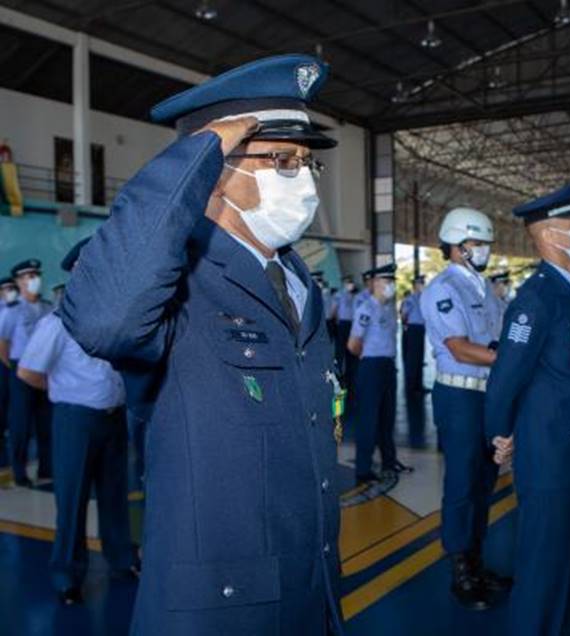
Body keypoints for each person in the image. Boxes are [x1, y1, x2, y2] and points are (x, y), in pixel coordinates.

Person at [61, 54, 345, 635]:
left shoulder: (297, 282)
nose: (304, 178)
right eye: (281, 159)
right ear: (214, 167)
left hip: (307, 592)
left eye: (307, 162)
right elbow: (104, 320)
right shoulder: (179, 282)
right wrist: (198, 151)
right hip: (220, 609)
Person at [485, 177, 570, 635]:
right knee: (541, 573)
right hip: (550, 456)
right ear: (550, 234)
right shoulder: (536, 298)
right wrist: (498, 435)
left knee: (565, 570)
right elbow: (505, 378)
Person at [16, 238, 138, 605]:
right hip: (76, 420)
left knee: (115, 498)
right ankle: (67, 576)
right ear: (78, 271)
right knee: (72, 501)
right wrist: (67, 390)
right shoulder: (57, 323)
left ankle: (122, 561)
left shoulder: (116, 315)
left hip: (113, 419)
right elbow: (28, 372)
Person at [421, 207, 510, 610]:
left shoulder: (483, 288)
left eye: (485, 244)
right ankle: (460, 571)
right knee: (461, 482)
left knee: (484, 479)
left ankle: (476, 560)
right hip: (459, 397)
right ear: (457, 246)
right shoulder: (444, 288)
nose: (484, 250)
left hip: (487, 395)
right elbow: (458, 347)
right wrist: (511, 358)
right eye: (477, 243)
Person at [349, 263, 411, 484]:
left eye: (392, 282)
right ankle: (363, 469)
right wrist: (370, 359)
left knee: (387, 417)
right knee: (369, 419)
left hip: (388, 367)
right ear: (375, 283)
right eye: (387, 281)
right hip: (372, 367)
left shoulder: (388, 308)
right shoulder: (366, 309)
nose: (391, 286)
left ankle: (389, 460)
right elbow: (353, 345)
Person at [0, 259, 53, 487]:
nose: (34, 280)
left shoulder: (48, 307)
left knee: (46, 424)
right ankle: (20, 473)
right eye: (28, 276)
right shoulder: (12, 310)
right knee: (20, 425)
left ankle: (46, 470)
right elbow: (3, 343)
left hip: (46, 372)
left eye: (35, 275)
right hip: (21, 371)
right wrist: (15, 370)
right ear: (19, 282)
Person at [0, 276, 18, 461]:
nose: (10, 291)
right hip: (5, 360)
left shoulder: (15, 308)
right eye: (6, 288)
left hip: (11, 361)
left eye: (12, 288)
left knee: (9, 399)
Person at [400, 275, 426, 395]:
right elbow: (404, 315)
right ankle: (411, 387)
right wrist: (406, 327)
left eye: (422, 283)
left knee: (419, 358)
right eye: (420, 283)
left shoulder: (424, 297)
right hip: (413, 329)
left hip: (420, 329)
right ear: (415, 285)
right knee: (413, 359)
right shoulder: (410, 299)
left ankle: (419, 386)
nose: (422, 285)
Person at [334, 275, 355, 374]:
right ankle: (338, 367)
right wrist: (337, 321)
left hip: (352, 323)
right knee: (341, 346)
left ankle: (350, 368)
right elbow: (335, 308)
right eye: (348, 283)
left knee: (349, 347)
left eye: (351, 283)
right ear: (344, 284)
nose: (351, 285)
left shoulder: (353, 296)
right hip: (343, 322)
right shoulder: (339, 294)